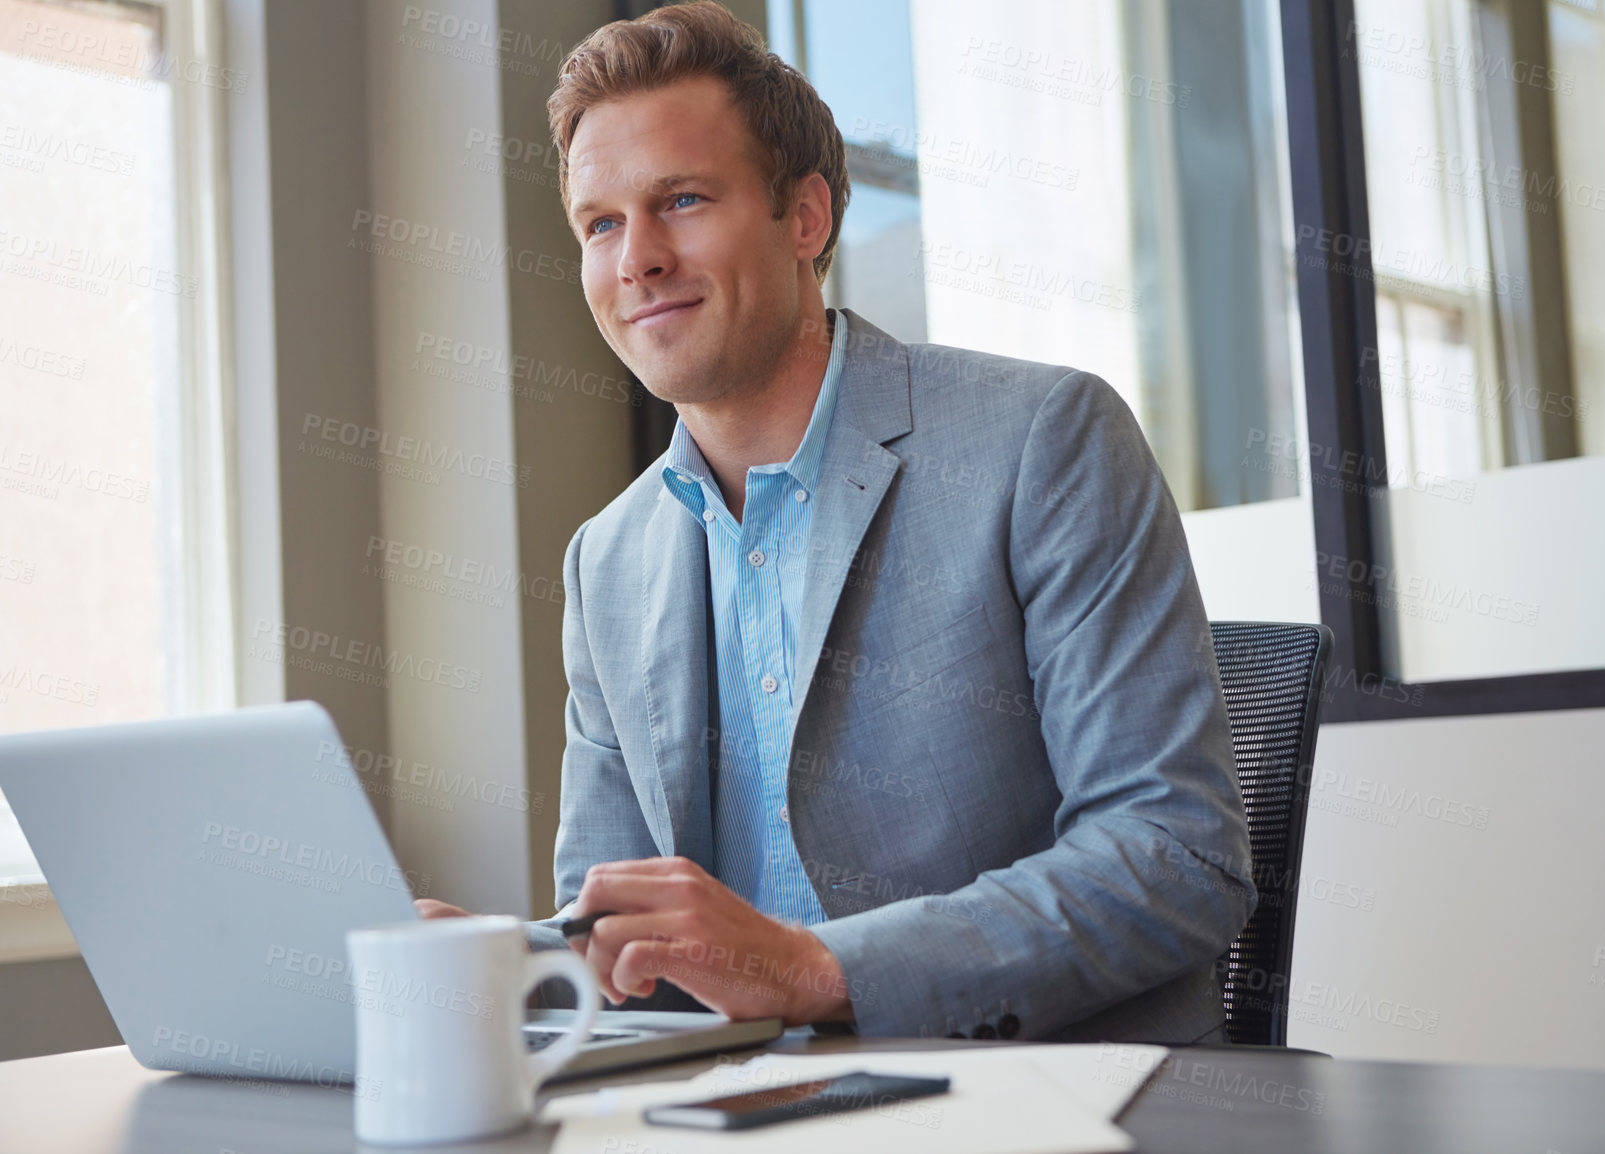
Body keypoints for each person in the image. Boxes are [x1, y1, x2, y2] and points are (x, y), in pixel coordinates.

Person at [418, 0, 1255, 1044]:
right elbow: (623, 930)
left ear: (804, 217)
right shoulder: (608, 563)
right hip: (744, 1103)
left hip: (1035, 1092)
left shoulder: (1042, 439)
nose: (635, 258)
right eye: (600, 223)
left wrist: (816, 968)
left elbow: (1177, 854)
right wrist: (514, 964)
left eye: (680, 199)